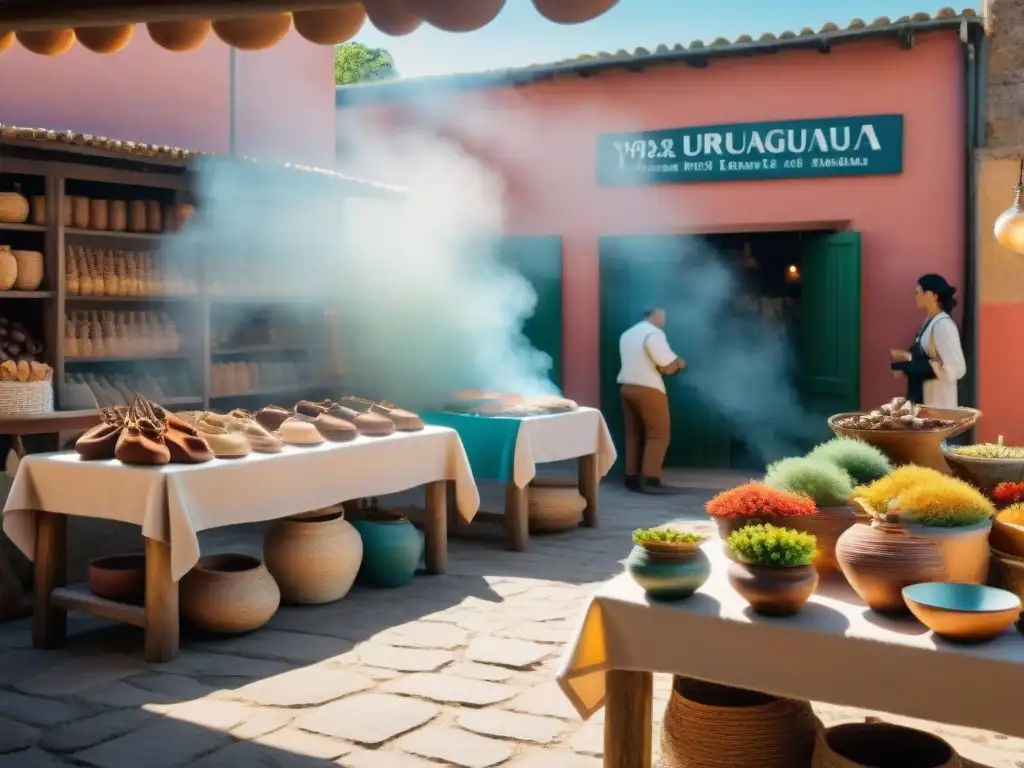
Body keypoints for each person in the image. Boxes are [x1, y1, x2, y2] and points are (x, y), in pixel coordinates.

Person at [617, 307, 687, 494]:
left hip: (626, 386)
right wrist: (679, 363)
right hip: (648, 388)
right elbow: (667, 365)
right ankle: (650, 478)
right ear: (655, 315)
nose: (664, 319)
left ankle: (631, 477)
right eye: (663, 315)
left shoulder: (627, 334)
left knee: (633, 434)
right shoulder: (653, 334)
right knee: (658, 434)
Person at [889, 274, 966, 407]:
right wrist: (907, 357)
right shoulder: (930, 322)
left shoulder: (944, 326)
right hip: (922, 401)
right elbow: (928, 355)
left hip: (937, 403)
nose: (916, 297)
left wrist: (929, 363)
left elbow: (956, 368)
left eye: (919, 292)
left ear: (933, 295)